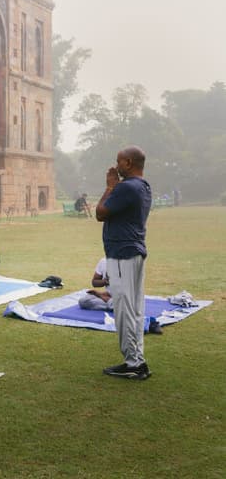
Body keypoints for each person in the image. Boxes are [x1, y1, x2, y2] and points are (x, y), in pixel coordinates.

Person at [95, 145, 152, 380]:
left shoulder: (126, 187)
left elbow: (100, 213)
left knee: (124, 309)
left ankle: (133, 363)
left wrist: (110, 186)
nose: (116, 165)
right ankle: (137, 360)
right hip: (134, 252)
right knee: (135, 309)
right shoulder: (143, 186)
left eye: (119, 161)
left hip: (122, 254)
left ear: (128, 163)